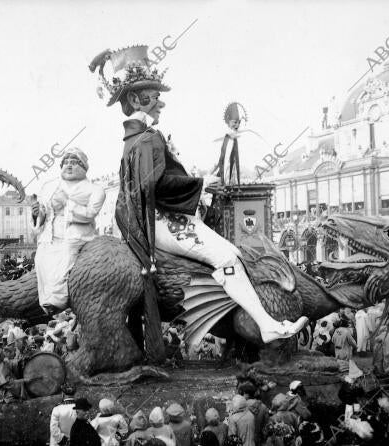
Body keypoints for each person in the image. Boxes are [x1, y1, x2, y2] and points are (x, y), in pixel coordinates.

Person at [89, 45, 307, 345]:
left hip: (165, 217)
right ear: (133, 98)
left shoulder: (139, 137)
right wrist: (200, 185)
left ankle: (258, 322)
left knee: (234, 255)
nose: (160, 103)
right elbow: (155, 185)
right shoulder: (145, 138)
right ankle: (266, 324)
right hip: (162, 221)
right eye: (153, 96)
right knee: (228, 256)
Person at [32, 148, 106, 314]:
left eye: (74, 162)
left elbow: (90, 214)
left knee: (66, 255)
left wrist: (67, 203)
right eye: (66, 162)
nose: (69, 166)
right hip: (51, 234)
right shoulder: (49, 186)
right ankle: (45, 299)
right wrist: (37, 214)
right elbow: (44, 214)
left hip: (76, 234)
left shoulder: (95, 189)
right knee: (40, 258)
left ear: (83, 167)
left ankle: (57, 300)